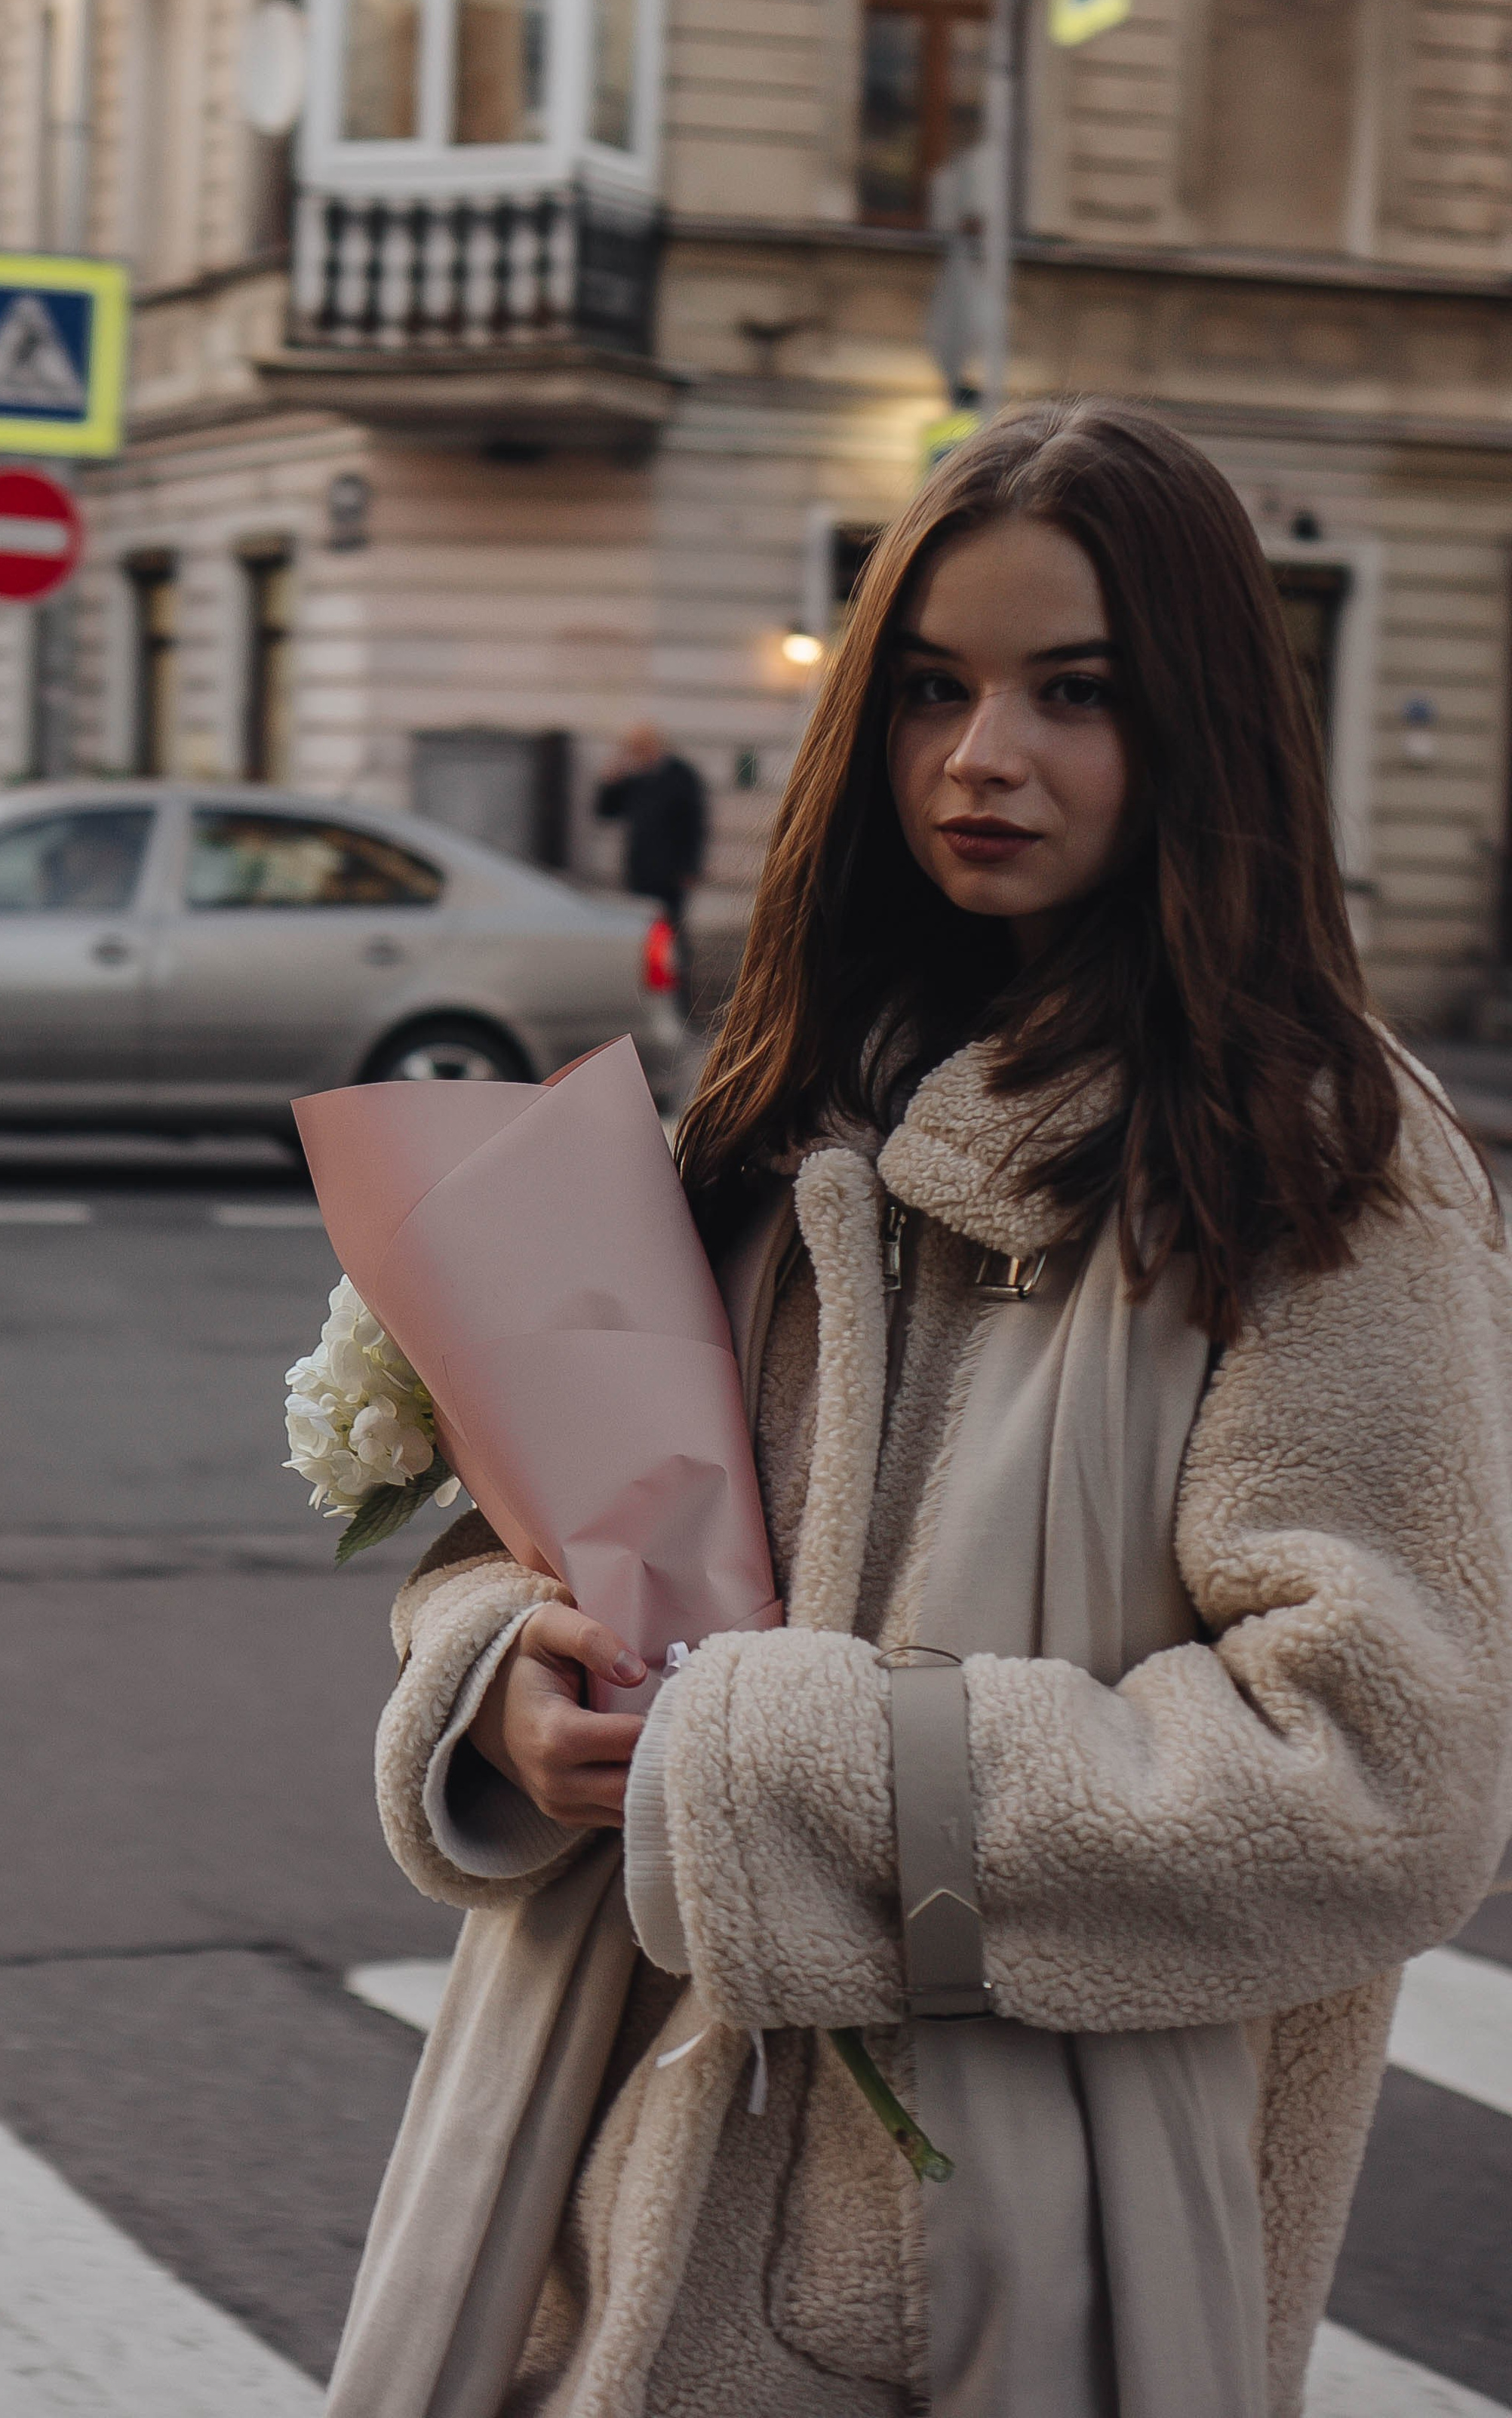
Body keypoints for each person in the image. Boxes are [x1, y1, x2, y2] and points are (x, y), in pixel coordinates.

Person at [331, 400, 1512, 2418]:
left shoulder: (1321, 1166)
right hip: (596, 2178)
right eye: (933, 690)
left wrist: (777, 1761)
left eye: (1078, 694)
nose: (985, 758)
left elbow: (1380, 1777)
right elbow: (535, 1554)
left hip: (970, 2276)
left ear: (1206, 728)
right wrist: (502, 1691)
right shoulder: (783, 1098)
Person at [594, 724, 707, 949]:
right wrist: (610, 781)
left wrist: (691, 867)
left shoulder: (681, 776)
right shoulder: (636, 780)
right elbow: (605, 812)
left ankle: (678, 980)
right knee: (642, 930)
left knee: (672, 929)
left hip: (671, 872)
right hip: (640, 869)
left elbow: (695, 824)